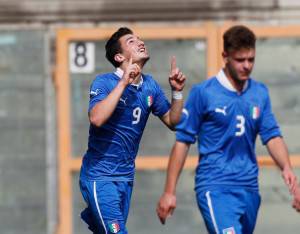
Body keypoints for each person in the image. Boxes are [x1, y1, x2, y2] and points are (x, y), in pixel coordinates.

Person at [156, 25, 297, 234]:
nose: (247, 66)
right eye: (240, 60)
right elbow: (182, 142)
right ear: (225, 56)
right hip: (214, 186)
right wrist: (169, 191)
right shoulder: (204, 93)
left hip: (249, 188)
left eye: (251, 60)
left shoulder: (259, 92)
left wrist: (286, 168)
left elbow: (272, 136)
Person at [79, 27, 186, 234]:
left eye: (139, 39)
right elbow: (97, 118)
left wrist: (177, 92)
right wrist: (123, 83)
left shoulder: (150, 86)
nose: (139, 42)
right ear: (119, 56)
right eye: (131, 41)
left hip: (125, 178)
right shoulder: (105, 82)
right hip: (100, 177)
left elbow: (174, 122)